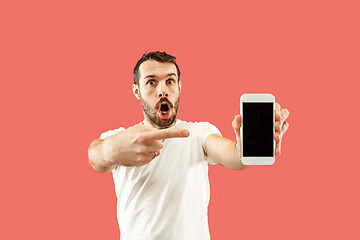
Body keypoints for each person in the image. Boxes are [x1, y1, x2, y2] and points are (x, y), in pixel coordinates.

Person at [88, 51, 290, 240]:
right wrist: (110, 150)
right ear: (136, 91)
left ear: (179, 87)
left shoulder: (199, 133)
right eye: (151, 82)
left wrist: (248, 146)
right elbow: (95, 157)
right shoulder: (121, 138)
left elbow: (233, 157)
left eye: (170, 81)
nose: (162, 91)